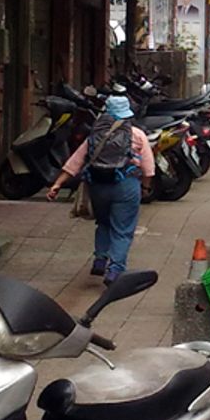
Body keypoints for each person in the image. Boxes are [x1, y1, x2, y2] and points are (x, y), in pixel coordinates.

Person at [48, 96, 154, 285]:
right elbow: (148, 167)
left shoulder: (95, 135)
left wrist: (58, 184)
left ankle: (100, 259)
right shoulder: (136, 134)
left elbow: (75, 162)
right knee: (122, 229)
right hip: (126, 186)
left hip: (98, 186)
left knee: (103, 223)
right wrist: (145, 187)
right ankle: (114, 270)